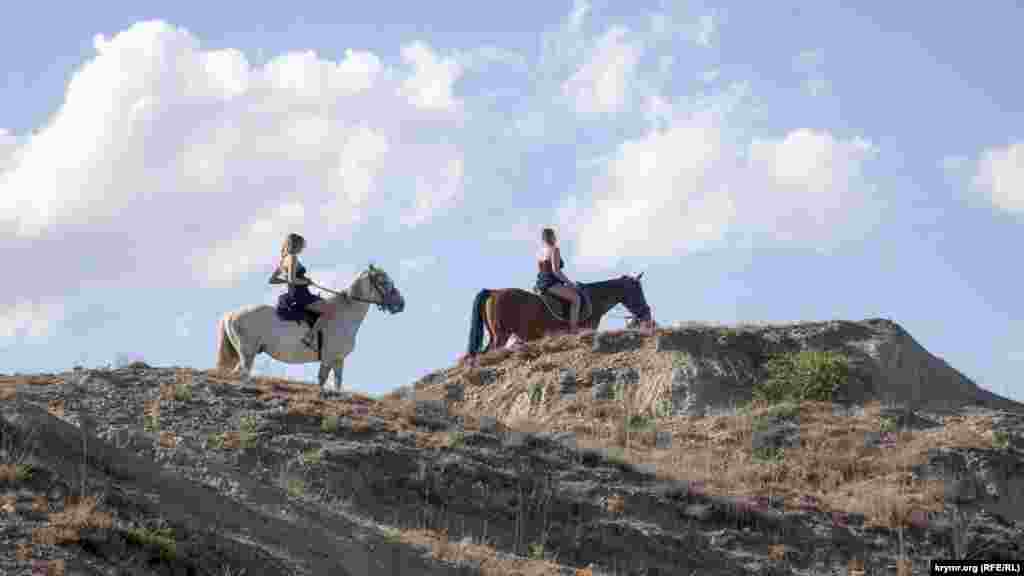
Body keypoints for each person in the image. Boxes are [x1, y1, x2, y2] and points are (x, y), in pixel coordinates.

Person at [270, 233, 323, 349]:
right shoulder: (293, 258)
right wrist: (306, 282)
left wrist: (287, 281)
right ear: (296, 245)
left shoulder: (283, 260)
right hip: (301, 294)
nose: (302, 248)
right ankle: (309, 337)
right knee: (328, 310)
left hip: (292, 293)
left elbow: (272, 280)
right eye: (301, 245)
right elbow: (292, 279)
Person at [535, 227, 581, 333]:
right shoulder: (554, 249)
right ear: (552, 237)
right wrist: (569, 283)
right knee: (576, 298)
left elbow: (541, 271)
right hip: (551, 284)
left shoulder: (540, 252)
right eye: (554, 235)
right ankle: (574, 329)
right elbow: (556, 271)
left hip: (540, 283)